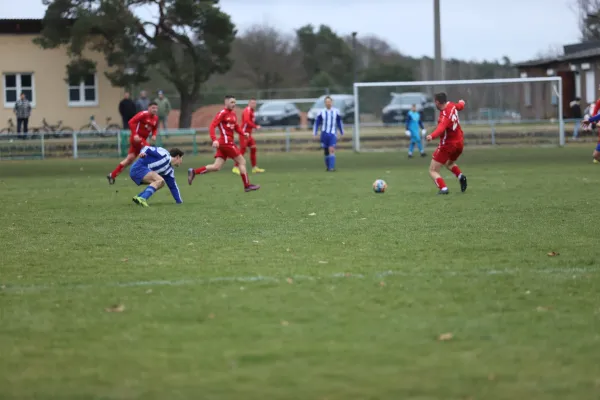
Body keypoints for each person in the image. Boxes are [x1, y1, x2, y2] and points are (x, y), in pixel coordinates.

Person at [187, 95, 260, 192]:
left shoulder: (233, 114)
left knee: (216, 167)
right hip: (226, 143)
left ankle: (194, 172)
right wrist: (214, 139)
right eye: (231, 102)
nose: (233, 104)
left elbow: (236, 127)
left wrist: (243, 133)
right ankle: (247, 185)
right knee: (242, 162)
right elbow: (212, 126)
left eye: (234, 102)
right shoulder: (222, 113)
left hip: (225, 144)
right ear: (226, 103)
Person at [425, 93, 468, 195]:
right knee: (449, 163)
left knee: (432, 170)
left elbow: (441, 128)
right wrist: (462, 102)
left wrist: (432, 136)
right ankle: (461, 176)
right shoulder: (451, 105)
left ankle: (443, 188)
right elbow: (460, 106)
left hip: (448, 145)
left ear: (437, 102)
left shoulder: (444, 115)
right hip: (459, 143)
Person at [107, 102, 159, 184]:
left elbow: (155, 128)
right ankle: (148, 176)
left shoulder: (155, 118)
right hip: (136, 139)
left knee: (129, 159)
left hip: (141, 141)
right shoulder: (143, 114)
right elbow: (131, 122)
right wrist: (135, 134)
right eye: (153, 108)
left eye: (156, 108)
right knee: (150, 152)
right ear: (148, 108)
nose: (155, 110)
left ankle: (112, 175)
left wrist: (154, 135)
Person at [232, 98, 264, 175]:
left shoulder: (252, 111)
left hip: (249, 134)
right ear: (249, 103)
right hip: (244, 134)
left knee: (253, 148)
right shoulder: (247, 110)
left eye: (255, 103)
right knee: (242, 150)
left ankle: (254, 168)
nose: (254, 104)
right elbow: (247, 121)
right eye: (252, 103)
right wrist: (255, 126)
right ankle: (235, 167)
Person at [313, 96, 344, 171]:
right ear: (325, 103)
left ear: (332, 102)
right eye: (326, 102)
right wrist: (315, 132)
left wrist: (341, 132)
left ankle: (331, 168)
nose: (328, 103)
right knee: (326, 151)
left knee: (332, 149)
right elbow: (317, 123)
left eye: (329, 102)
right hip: (324, 134)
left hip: (332, 133)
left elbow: (339, 122)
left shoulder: (336, 111)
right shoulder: (321, 112)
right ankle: (328, 167)